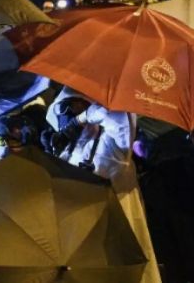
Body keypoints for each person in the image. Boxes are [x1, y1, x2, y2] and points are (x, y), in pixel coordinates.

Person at [46, 87, 161, 283]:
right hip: (80, 236)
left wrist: (81, 119)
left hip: (114, 235)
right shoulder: (68, 147)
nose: (74, 110)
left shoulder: (113, 145)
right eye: (69, 106)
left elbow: (121, 119)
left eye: (81, 104)